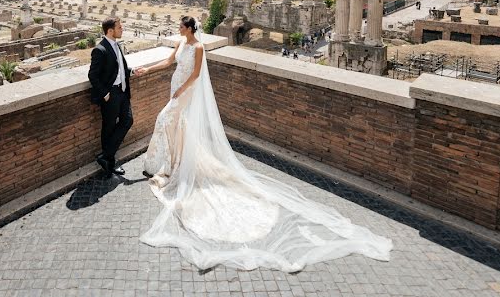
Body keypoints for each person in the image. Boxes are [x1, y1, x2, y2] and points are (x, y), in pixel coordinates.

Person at [135, 16, 391, 272]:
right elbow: (170, 62)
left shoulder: (199, 47)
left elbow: (196, 74)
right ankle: (174, 160)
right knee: (179, 126)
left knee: (165, 117)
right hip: (175, 86)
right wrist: (148, 69)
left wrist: (180, 91)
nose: (178, 29)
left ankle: (167, 162)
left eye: (181, 26)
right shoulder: (181, 43)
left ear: (190, 29)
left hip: (184, 90)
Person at [87, 17, 137, 177]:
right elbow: (92, 75)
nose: (122, 29)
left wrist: (132, 71)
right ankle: (110, 163)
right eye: (119, 27)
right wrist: (105, 94)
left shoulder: (116, 45)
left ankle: (105, 156)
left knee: (128, 120)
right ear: (110, 30)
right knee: (108, 128)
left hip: (122, 92)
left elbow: (120, 69)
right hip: (111, 95)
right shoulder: (100, 49)